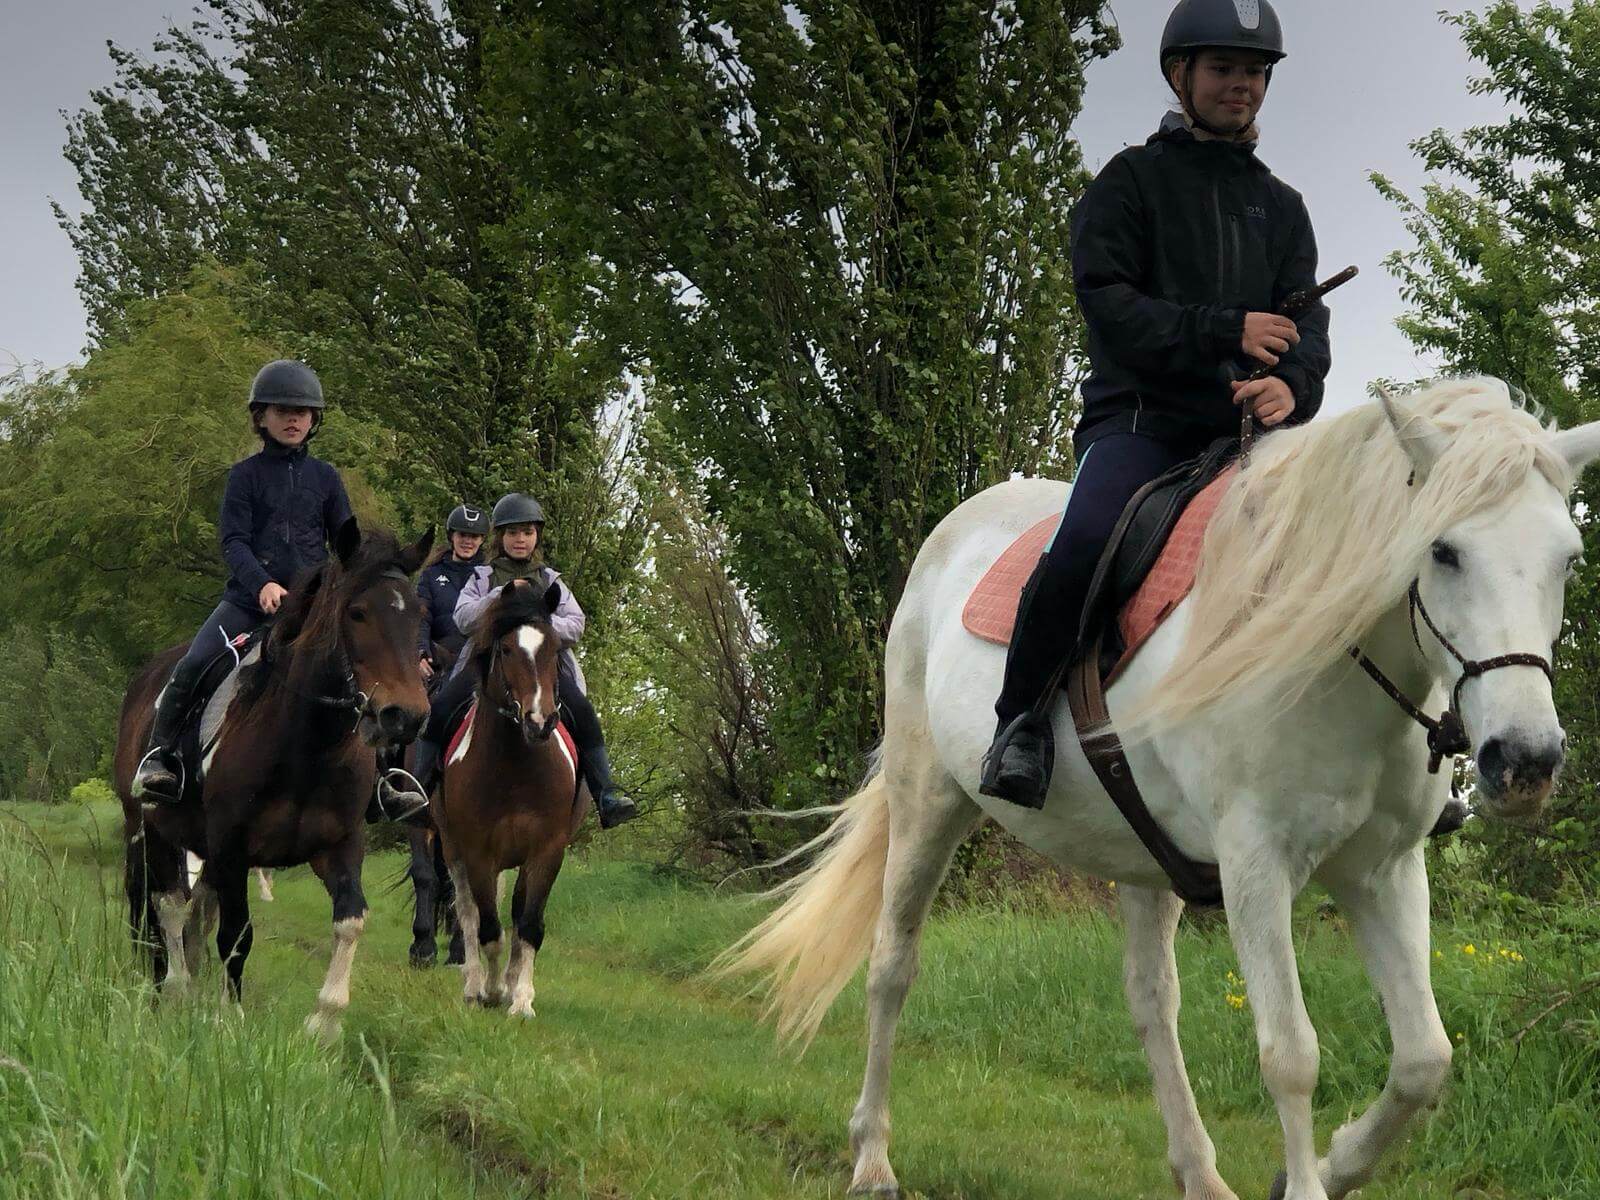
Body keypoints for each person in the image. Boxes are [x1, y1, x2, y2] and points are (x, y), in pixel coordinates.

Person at [979, 0, 1331, 811]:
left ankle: (1392, 751)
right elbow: (1108, 305)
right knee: (1083, 543)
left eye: (1255, 72)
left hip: (1250, 435)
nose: (1242, 84)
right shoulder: (1129, 182)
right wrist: (1224, 329)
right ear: (1180, 75)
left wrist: (1293, 385)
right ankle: (1018, 724)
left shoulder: (1283, 208)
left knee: (1349, 536)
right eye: (1224, 69)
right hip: (1141, 423)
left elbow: (1308, 326)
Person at [132, 360, 353, 803]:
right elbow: (233, 542)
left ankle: (384, 777)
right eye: (282, 411)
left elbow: (347, 545)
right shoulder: (245, 476)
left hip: (312, 608)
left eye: (302, 412)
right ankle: (160, 757)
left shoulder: (326, 478)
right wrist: (262, 584)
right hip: (248, 604)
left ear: (314, 420)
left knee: (367, 670)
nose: (293, 420)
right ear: (260, 417)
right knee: (192, 665)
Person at [401, 492, 640, 830]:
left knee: (583, 711)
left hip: (542, 666)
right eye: (512, 533)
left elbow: (576, 623)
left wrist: (538, 626)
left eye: (527, 532)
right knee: (442, 708)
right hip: (488, 665)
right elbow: (463, 618)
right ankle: (418, 790)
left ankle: (606, 795)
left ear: (536, 536)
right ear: (500, 537)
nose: (520, 539)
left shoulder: (550, 579)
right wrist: (500, 595)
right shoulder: (482, 577)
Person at [416, 504, 490, 679]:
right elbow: (421, 617)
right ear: (452, 536)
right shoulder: (431, 574)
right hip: (439, 659)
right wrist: (421, 651)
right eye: (462, 535)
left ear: (482, 540)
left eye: (474, 536)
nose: (467, 541)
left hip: (480, 659)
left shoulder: (490, 574)